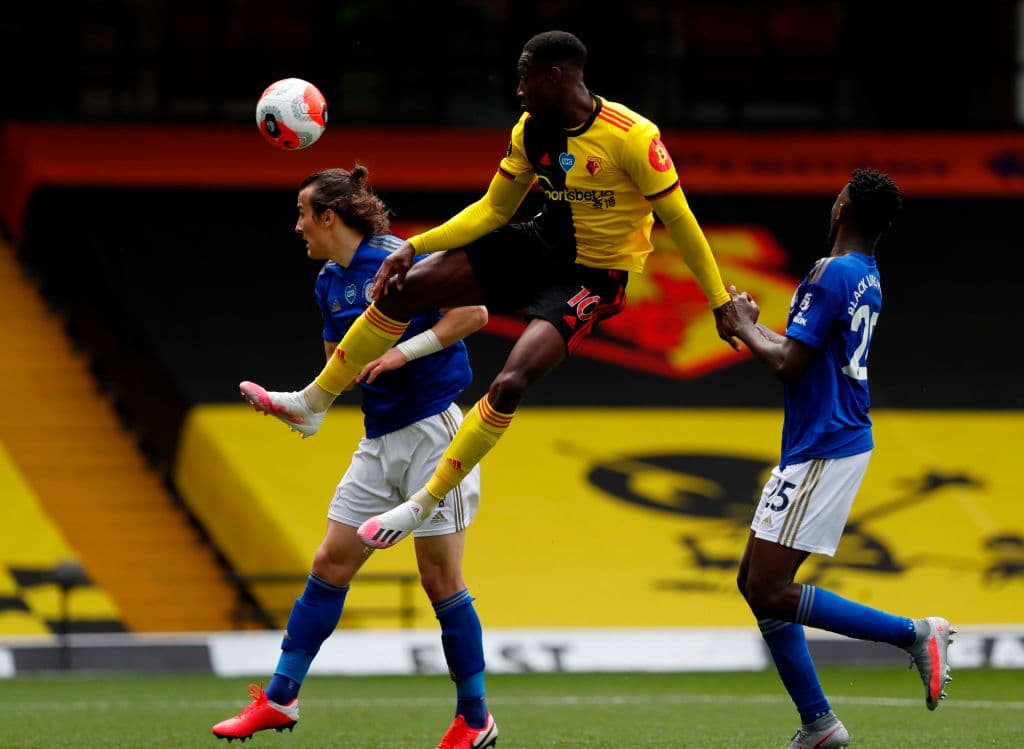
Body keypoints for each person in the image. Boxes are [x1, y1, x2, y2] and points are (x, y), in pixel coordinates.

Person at [241, 29, 740, 551]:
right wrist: (414, 246)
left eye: (525, 74)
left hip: (594, 276)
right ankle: (313, 402)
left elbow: (680, 222)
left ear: (556, 76)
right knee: (398, 289)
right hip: (538, 245)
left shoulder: (632, 137)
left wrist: (719, 302)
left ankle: (422, 503)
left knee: (510, 382)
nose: (517, 87)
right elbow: (494, 209)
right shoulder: (530, 130)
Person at [212, 166, 498, 749]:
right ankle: (280, 699)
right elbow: (338, 365)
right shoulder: (327, 282)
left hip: (434, 433)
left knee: (439, 578)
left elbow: (474, 315)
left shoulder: (399, 258)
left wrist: (402, 355)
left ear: (330, 216)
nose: (297, 227)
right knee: (328, 564)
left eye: (302, 214)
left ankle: (475, 718)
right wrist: (308, 403)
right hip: (379, 438)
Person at [726, 169, 953, 749]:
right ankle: (819, 725)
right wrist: (753, 331)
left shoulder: (829, 272)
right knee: (754, 581)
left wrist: (747, 328)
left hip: (825, 443)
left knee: (772, 589)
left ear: (842, 206)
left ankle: (913, 633)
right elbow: (801, 352)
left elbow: (787, 364)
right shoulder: (866, 276)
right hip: (825, 437)